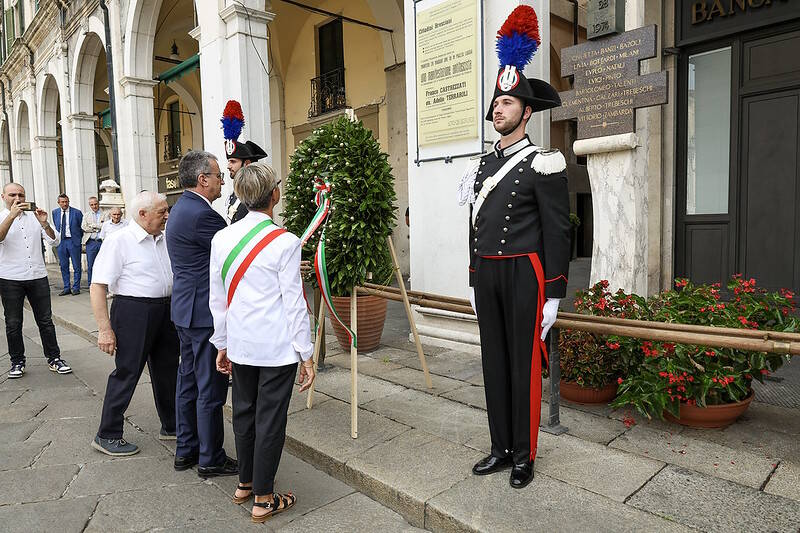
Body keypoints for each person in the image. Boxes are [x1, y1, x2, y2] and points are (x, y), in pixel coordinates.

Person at [463, 6, 570, 489]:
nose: (498, 110)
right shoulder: (483, 167)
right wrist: (472, 276)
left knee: (524, 366)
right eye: (496, 103)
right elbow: (474, 223)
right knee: (493, 360)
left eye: (507, 104)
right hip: (488, 273)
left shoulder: (544, 162)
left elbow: (558, 231)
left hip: (526, 272)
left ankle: (525, 455)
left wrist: (553, 293)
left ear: (527, 112)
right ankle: (499, 447)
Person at [210, 163, 313, 522]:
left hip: (240, 342)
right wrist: (307, 353)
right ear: (274, 195)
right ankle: (264, 497)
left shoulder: (222, 239)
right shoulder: (285, 242)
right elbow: (294, 302)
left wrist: (221, 343)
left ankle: (245, 483)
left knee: (243, 412)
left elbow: (218, 298)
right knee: (270, 418)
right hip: (276, 346)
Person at [88, 191, 179, 456]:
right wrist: (104, 329)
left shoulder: (163, 238)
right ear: (142, 214)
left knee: (168, 370)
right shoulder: (119, 241)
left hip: (165, 310)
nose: (167, 215)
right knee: (127, 372)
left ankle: (171, 424)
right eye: (161, 211)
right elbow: (98, 286)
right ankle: (108, 433)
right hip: (133, 311)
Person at [166, 150, 237, 477]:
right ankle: (210, 458)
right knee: (210, 388)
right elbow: (232, 253)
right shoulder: (202, 215)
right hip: (204, 315)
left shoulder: (181, 207)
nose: (223, 180)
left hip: (185, 310)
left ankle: (186, 449)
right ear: (202, 179)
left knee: (188, 383)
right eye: (218, 174)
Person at [0, 183, 71, 378]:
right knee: (13, 323)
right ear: (3, 196)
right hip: (10, 278)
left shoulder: (34, 217)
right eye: (12, 195)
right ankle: (17, 361)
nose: (18, 199)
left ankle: (54, 358)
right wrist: (11, 216)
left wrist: (45, 223)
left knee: (46, 321)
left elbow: (54, 240)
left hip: (38, 276)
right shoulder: (2, 217)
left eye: (21, 195)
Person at [220, 99, 268, 223]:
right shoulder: (235, 194)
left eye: (233, 161)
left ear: (246, 163)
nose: (228, 166)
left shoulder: (255, 195)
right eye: (229, 161)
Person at [52, 194, 84, 295]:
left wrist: (78, 239)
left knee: (76, 266)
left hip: (73, 241)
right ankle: (66, 287)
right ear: (59, 203)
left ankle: (76, 288)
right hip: (61, 242)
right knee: (63, 265)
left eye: (66, 201)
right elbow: (57, 226)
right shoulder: (55, 212)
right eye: (62, 202)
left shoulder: (77, 213)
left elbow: (81, 227)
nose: (65, 204)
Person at [82, 196, 104, 285]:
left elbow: (105, 226)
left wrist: (93, 225)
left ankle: (102, 284)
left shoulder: (105, 214)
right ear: (89, 205)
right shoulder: (86, 215)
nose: (94, 206)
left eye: (95, 204)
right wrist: (97, 228)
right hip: (91, 243)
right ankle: (91, 284)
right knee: (91, 265)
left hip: (102, 242)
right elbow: (84, 227)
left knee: (103, 264)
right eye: (92, 205)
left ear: (98, 203)